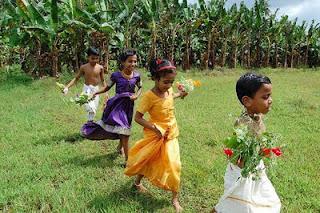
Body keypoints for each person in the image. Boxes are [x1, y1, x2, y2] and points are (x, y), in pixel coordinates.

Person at [124, 59, 188, 212]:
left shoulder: (169, 90)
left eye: (171, 82)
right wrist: (154, 128)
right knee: (148, 159)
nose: (169, 86)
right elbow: (138, 117)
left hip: (171, 133)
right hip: (156, 134)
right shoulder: (149, 96)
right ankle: (137, 183)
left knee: (174, 165)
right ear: (155, 78)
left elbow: (172, 96)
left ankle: (174, 198)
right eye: (166, 82)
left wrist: (182, 94)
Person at [213, 72, 281, 213]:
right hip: (242, 170)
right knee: (241, 203)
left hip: (256, 168)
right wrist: (244, 165)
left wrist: (266, 150)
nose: (270, 100)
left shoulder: (258, 116)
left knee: (267, 198)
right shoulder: (242, 123)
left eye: (270, 96)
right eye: (265, 97)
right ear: (247, 101)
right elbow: (236, 151)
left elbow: (260, 141)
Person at [81, 49, 142, 163]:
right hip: (117, 105)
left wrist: (136, 95)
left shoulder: (137, 76)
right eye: (130, 61)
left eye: (135, 61)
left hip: (129, 106)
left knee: (125, 129)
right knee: (125, 132)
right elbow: (107, 87)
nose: (133, 64)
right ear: (123, 62)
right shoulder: (116, 75)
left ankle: (120, 148)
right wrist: (95, 93)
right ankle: (128, 161)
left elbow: (140, 88)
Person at [63, 47, 107, 121]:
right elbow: (76, 78)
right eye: (92, 58)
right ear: (88, 57)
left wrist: (106, 92)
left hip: (96, 91)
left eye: (97, 58)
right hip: (86, 90)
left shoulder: (100, 68)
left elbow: (103, 80)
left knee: (94, 109)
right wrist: (67, 87)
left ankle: (89, 124)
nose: (95, 60)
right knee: (90, 108)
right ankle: (89, 124)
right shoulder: (84, 67)